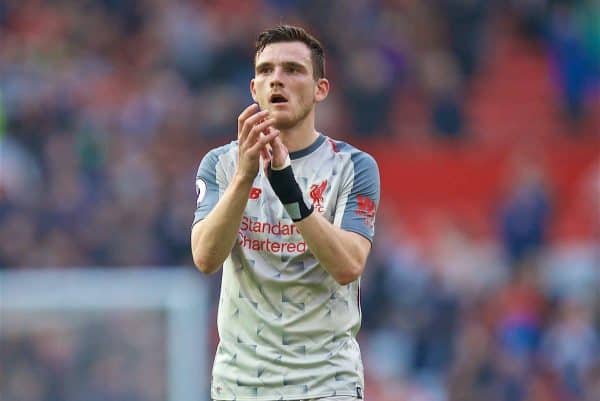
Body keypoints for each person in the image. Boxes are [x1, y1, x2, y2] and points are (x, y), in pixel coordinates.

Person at [191, 25, 380, 401]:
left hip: (327, 385)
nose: (277, 79)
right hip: (241, 386)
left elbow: (348, 265)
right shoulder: (221, 165)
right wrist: (246, 177)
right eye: (266, 71)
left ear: (320, 89)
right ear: (253, 89)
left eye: (293, 70)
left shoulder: (353, 166)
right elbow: (205, 258)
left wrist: (287, 189)